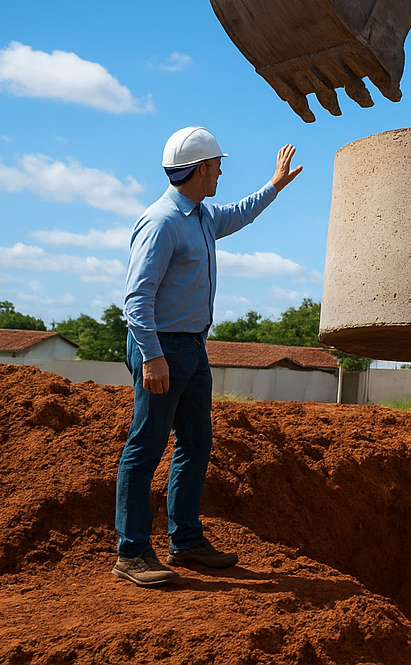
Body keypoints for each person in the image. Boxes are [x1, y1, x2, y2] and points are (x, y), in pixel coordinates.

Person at [111, 126, 302, 588]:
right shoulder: (161, 222)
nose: (220, 172)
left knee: (196, 443)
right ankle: (132, 553)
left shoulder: (201, 216)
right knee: (145, 447)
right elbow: (136, 298)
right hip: (162, 347)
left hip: (193, 346)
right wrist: (152, 356)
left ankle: (186, 541)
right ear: (199, 169)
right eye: (217, 165)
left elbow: (240, 213)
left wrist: (274, 185)